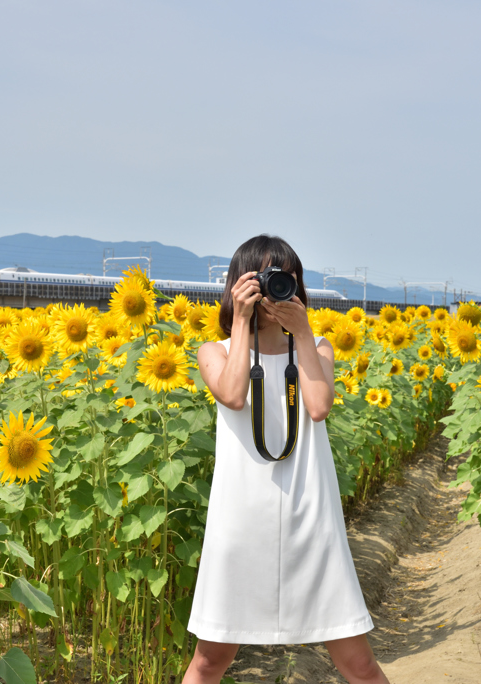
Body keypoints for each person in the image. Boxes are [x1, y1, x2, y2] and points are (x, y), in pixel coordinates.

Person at [183, 235, 390, 684]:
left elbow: (317, 406)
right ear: (238, 285)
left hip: (310, 517)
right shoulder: (215, 351)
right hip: (240, 521)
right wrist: (241, 321)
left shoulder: (317, 348)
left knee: (359, 665)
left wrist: (304, 332)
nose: (274, 289)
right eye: (263, 279)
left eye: (285, 278)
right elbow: (233, 395)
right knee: (209, 661)